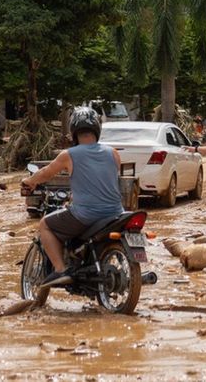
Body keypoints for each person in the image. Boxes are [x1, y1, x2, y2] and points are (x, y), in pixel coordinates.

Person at [20, 107, 125, 289]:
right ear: (97, 130)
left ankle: (61, 270)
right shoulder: (113, 153)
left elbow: (46, 173)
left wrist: (29, 181)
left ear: (74, 131)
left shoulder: (69, 155)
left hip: (86, 215)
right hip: (116, 213)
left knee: (45, 224)